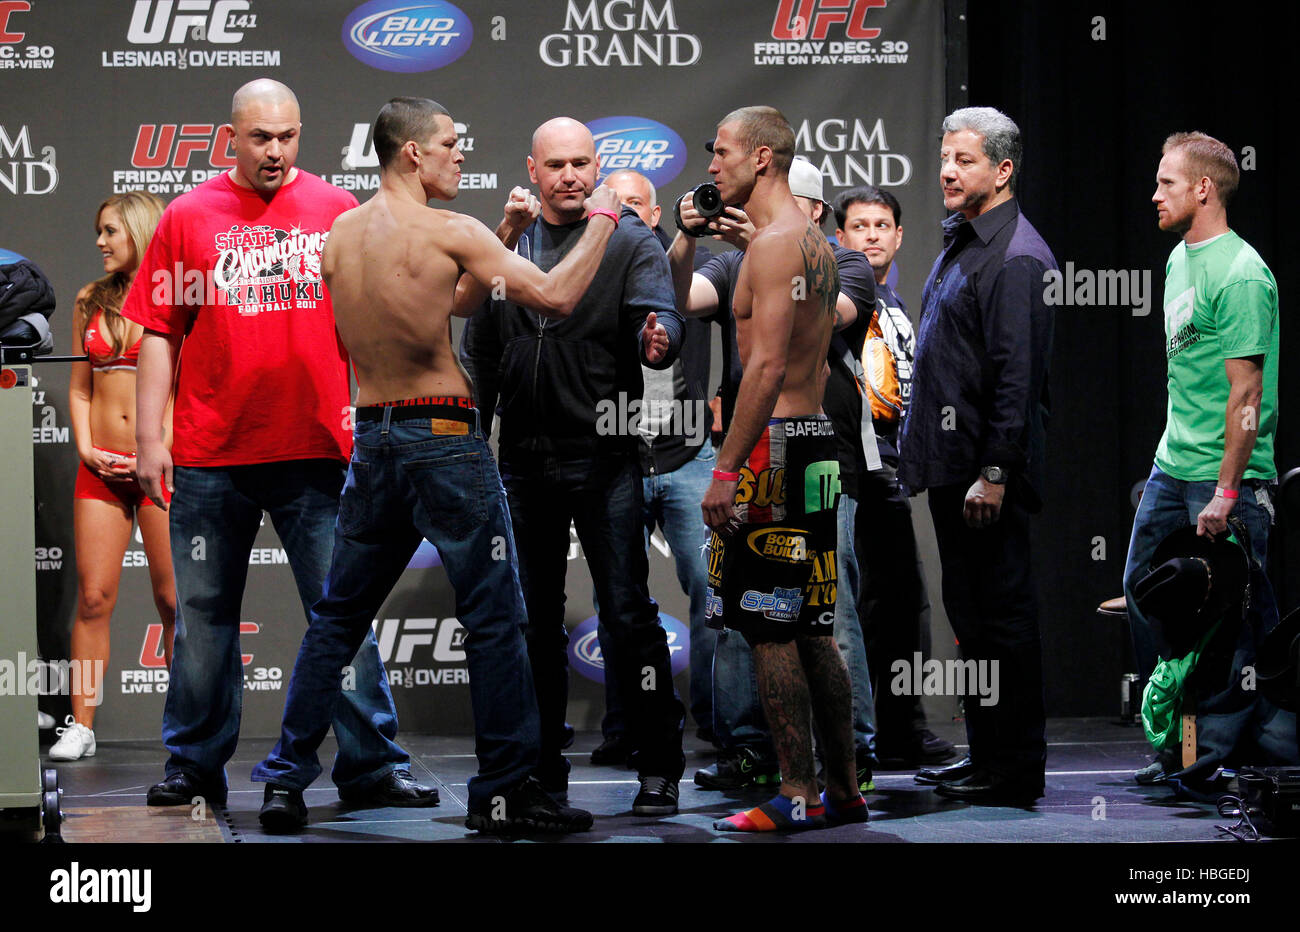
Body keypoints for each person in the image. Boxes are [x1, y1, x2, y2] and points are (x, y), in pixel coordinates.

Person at [252, 97, 623, 833]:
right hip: (444, 443)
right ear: (412, 153)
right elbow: (553, 297)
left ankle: (284, 781)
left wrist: (506, 233)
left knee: (336, 620)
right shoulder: (452, 229)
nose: (460, 155)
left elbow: (438, 307)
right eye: (450, 144)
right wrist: (607, 218)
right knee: (494, 619)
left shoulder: (339, 236)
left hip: (376, 441)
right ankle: (507, 791)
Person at [125, 79, 436, 810]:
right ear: (230, 136)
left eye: (288, 136)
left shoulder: (336, 209)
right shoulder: (187, 216)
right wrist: (149, 436)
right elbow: (159, 332)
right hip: (209, 455)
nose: (275, 150)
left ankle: (370, 765)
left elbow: (376, 320)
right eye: (260, 137)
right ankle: (194, 766)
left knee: (344, 616)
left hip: (319, 453)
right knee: (203, 622)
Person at [459, 118, 687, 816]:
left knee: (627, 615)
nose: (568, 176)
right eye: (555, 164)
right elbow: (482, 355)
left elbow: (665, 321)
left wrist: (659, 341)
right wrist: (473, 446)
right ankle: (539, 770)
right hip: (524, 464)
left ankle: (659, 765)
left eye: (581, 163)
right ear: (532, 169)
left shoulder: (628, 240)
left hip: (606, 459)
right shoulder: (510, 242)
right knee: (533, 624)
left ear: (597, 167)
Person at [668, 160, 878, 799]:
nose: (713, 168)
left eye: (724, 152)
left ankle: (795, 793)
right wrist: (692, 240)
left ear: (761, 161)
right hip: (809, 442)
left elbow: (764, 369)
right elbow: (679, 302)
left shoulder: (786, 249)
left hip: (773, 448)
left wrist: (726, 469)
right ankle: (839, 790)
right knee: (808, 626)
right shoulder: (801, 247)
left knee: (769, 628)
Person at [1124, 131, 1294, 789]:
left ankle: (1215, 763)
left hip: (1229, 478)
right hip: (1174, 465)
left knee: (1234, 623)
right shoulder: (1178, 261)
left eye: (1167, 181)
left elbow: (1246, 395)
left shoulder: (1242, 272)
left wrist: (1227, 489)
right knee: (1147, 592)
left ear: (1203, 188)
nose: (1155, 192)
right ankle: (1180, 739)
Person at [899, 107, 1056, 805]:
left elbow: (1015, 381)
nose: (947, 171)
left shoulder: (1017, 256)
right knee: (974, 626)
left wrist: (994, 474)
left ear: (1002, 169)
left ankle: (1015, 770)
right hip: (951, 470)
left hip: (982, 477)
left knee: (1004, 625)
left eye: (963, 160)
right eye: (945, 158)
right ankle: (986, 755)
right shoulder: (964, 243)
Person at [589, 168, 718, 764]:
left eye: (639, 205)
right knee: (619, 602)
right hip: (619, 460)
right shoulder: (590, 270)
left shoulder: (680, 267)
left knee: (713, 594)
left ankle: (723, 726)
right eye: (620, 207)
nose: (631, 215)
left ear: (659, 213)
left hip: (689, 456)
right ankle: (626, 728)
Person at [833, 186, 957, 768]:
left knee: (904, 603)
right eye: (860, 226)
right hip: (850, 467)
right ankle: (853, 739)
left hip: (893, 467)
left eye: (883, 224)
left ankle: (901, 728)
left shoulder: (903, 306)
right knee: (854, 606)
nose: (873, 234)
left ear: (900, 235)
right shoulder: (838, 300)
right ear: (840, 237)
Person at [50, 191, 171, 762]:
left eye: (110, 232)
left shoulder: (173, 295)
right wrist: (86, 448)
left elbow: (188, 388)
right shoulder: (86, 301)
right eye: (98, 231)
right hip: (99, 470)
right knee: (94, 599)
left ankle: (188, 728)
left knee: (174, 602)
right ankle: (81, 725)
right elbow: (78, 386)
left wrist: (157, 451)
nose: (99, 242)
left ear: (139, 231)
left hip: (160, 468)